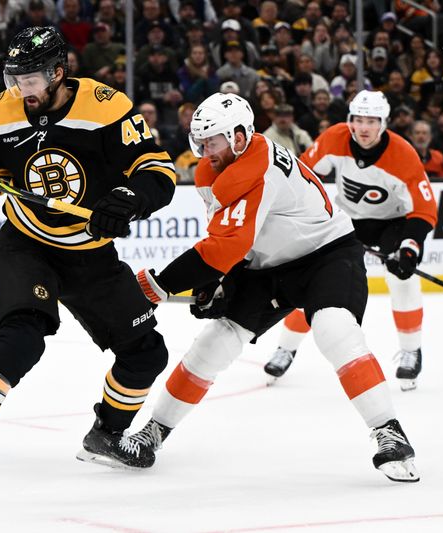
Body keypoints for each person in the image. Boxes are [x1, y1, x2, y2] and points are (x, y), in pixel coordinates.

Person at [0, 27, 175, 502]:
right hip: (27, 244)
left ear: (58, 73)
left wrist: (130, 198)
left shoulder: (108, 107)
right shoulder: (1, 111)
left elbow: (159, 171)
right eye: (14, 79)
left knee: (147, 353)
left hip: (90, 254)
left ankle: (107, 435)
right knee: (21, 339)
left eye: (30, 80)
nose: (20, 91)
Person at [133, 92, 420, 483]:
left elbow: (224, 247)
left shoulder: (253, 165)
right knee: (215, 341)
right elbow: (228, 237)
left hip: (325, 253)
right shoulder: (213, 169)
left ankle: (389, 432)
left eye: (212, 140)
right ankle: (154, 432)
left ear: (238, 136)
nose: (204, 150)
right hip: (267, 265)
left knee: (334, 328)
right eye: (199, 142)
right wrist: (214, 283)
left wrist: (158, 285)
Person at [263, 90, 437, 391]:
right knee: (314, 279)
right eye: (358, 120)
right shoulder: (334, 138)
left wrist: (409, 247)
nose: (364, 128)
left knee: (402, 280)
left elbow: (424, 209)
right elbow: (301, 174)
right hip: (349, 218)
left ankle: (411, 350)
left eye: (371, 121)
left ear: (383, 123)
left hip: (392, 224)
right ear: (349, 121)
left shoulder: (403, 154)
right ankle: (286, 347)